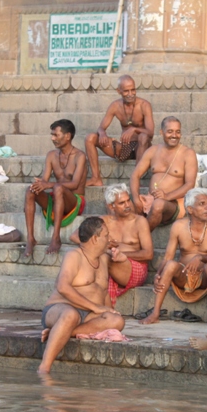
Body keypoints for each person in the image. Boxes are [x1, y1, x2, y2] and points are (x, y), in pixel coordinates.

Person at [38, 217, 125, 375]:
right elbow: (62, 287)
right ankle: (44, 369)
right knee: (70, 315)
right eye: (106, 235)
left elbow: (103, 290)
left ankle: (57, 332)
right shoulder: (74, 256)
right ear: (95, 239)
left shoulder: (104, 259)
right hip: (59, 310)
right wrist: (95, 307)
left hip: (88, 316)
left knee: (117, 320)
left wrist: (107, 310)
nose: (109, 239)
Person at [138, 188, 207, 329]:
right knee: (171, 265)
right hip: (183, 277)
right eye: (202, 204)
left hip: (205, 277)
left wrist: (200, 258)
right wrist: (158, 275)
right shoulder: (178, 226)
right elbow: (168, 257)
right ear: (190, 209)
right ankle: (155, 313)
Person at [24, 119, 88, 257]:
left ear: (67, 136)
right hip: (57, 199)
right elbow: (45, 181)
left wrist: (49, 185)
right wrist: (40, 183)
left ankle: (56, 238)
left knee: (58, 187)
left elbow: (75, 184)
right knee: (30, 191)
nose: (53, 138)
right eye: (51, 135)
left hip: (74, 201)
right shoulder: (51, 155)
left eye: (56, 135)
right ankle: (30, 238)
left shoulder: (80, 156)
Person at [129, 116, 198, 231]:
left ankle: (137, 240)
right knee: (118, 201)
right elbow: (135, 176)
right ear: (161, 132)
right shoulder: (153, 150)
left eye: (178, 132)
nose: (174, 135)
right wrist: (136, 199)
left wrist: (167, 196)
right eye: (170, 131)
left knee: (158, 204)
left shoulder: (188, 153)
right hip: (150, 199)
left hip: (173, 203)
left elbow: (190, 184)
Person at [85, 75, 154, 187]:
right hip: (125, 147)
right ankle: (96, 178)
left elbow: (150, 132)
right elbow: (101, 127)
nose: (131, 94)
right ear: (119, 91)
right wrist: (102, 133)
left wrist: (134, 129)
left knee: (143, 136)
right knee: (90, 138)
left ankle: (136, 180)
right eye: (126, 91)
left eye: (133, 89)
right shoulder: (115, 106)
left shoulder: (144, 105)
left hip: (142, 147)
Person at [100, 183, 154, 306]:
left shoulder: (140, 221)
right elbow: (77, 236)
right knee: (85, 253)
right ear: (111, 206)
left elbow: (149, 254)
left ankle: (103, 304)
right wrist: (104, 242)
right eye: (121, 203)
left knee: (104, 257)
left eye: (128, 200)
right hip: (112, 264)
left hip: (136, 269)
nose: (127, 205)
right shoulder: (106, 221)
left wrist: (120, 254)